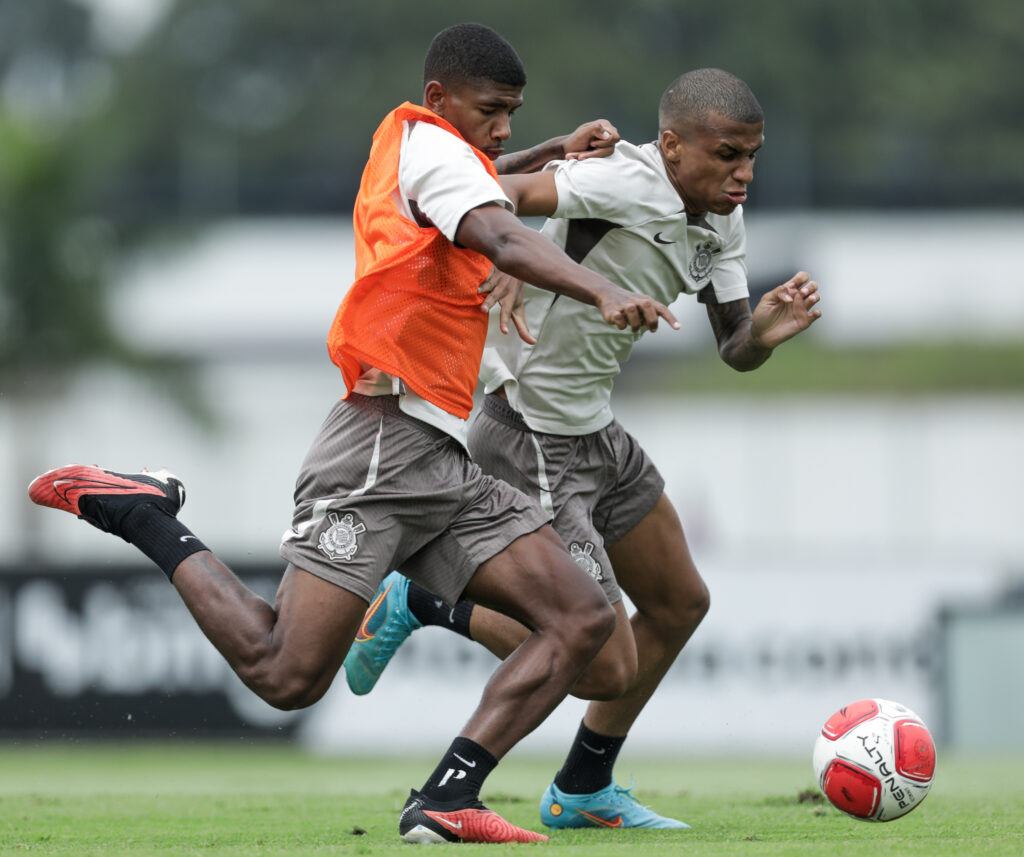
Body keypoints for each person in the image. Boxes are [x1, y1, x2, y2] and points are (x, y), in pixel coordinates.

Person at [27, 23, 681, 845]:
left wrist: (551, 149)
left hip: (439, 457)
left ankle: (445, 796)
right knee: (285, 674)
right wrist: (599, 288)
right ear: (440, 98)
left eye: (513, 113)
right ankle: (143, 513)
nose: (503, 127)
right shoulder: (430, 146)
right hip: (379, 446)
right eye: (492, 110)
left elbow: (486, 190)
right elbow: (499, 232)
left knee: (583, 619)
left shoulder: (437, 153)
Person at [342, 67, 822, 830]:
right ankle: (427, 599)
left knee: (680, 602)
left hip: (594, 428)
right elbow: (486, 193)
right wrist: (506, 254)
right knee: (601, 660)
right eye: (728, 155)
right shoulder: (621, 179)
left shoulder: (720, 218)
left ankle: (584, 789)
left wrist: (761, 333)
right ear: (672, 145)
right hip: (529, 432)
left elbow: (734, 345)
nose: (745, 174)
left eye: (752, 157)